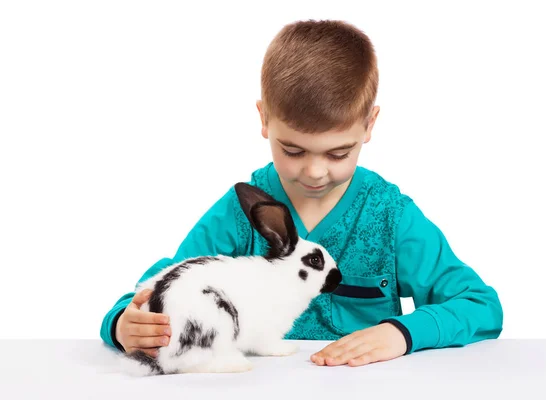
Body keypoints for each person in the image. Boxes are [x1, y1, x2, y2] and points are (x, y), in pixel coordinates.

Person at [100, 19, 503, 368]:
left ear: (369, 125)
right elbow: (157, 285)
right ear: (264, 119)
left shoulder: (391, 216)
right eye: (292, 150)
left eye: (338, 152)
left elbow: (481, 305)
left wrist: (401, 334)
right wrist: (123, 324)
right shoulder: (241, 210)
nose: (314, 171)